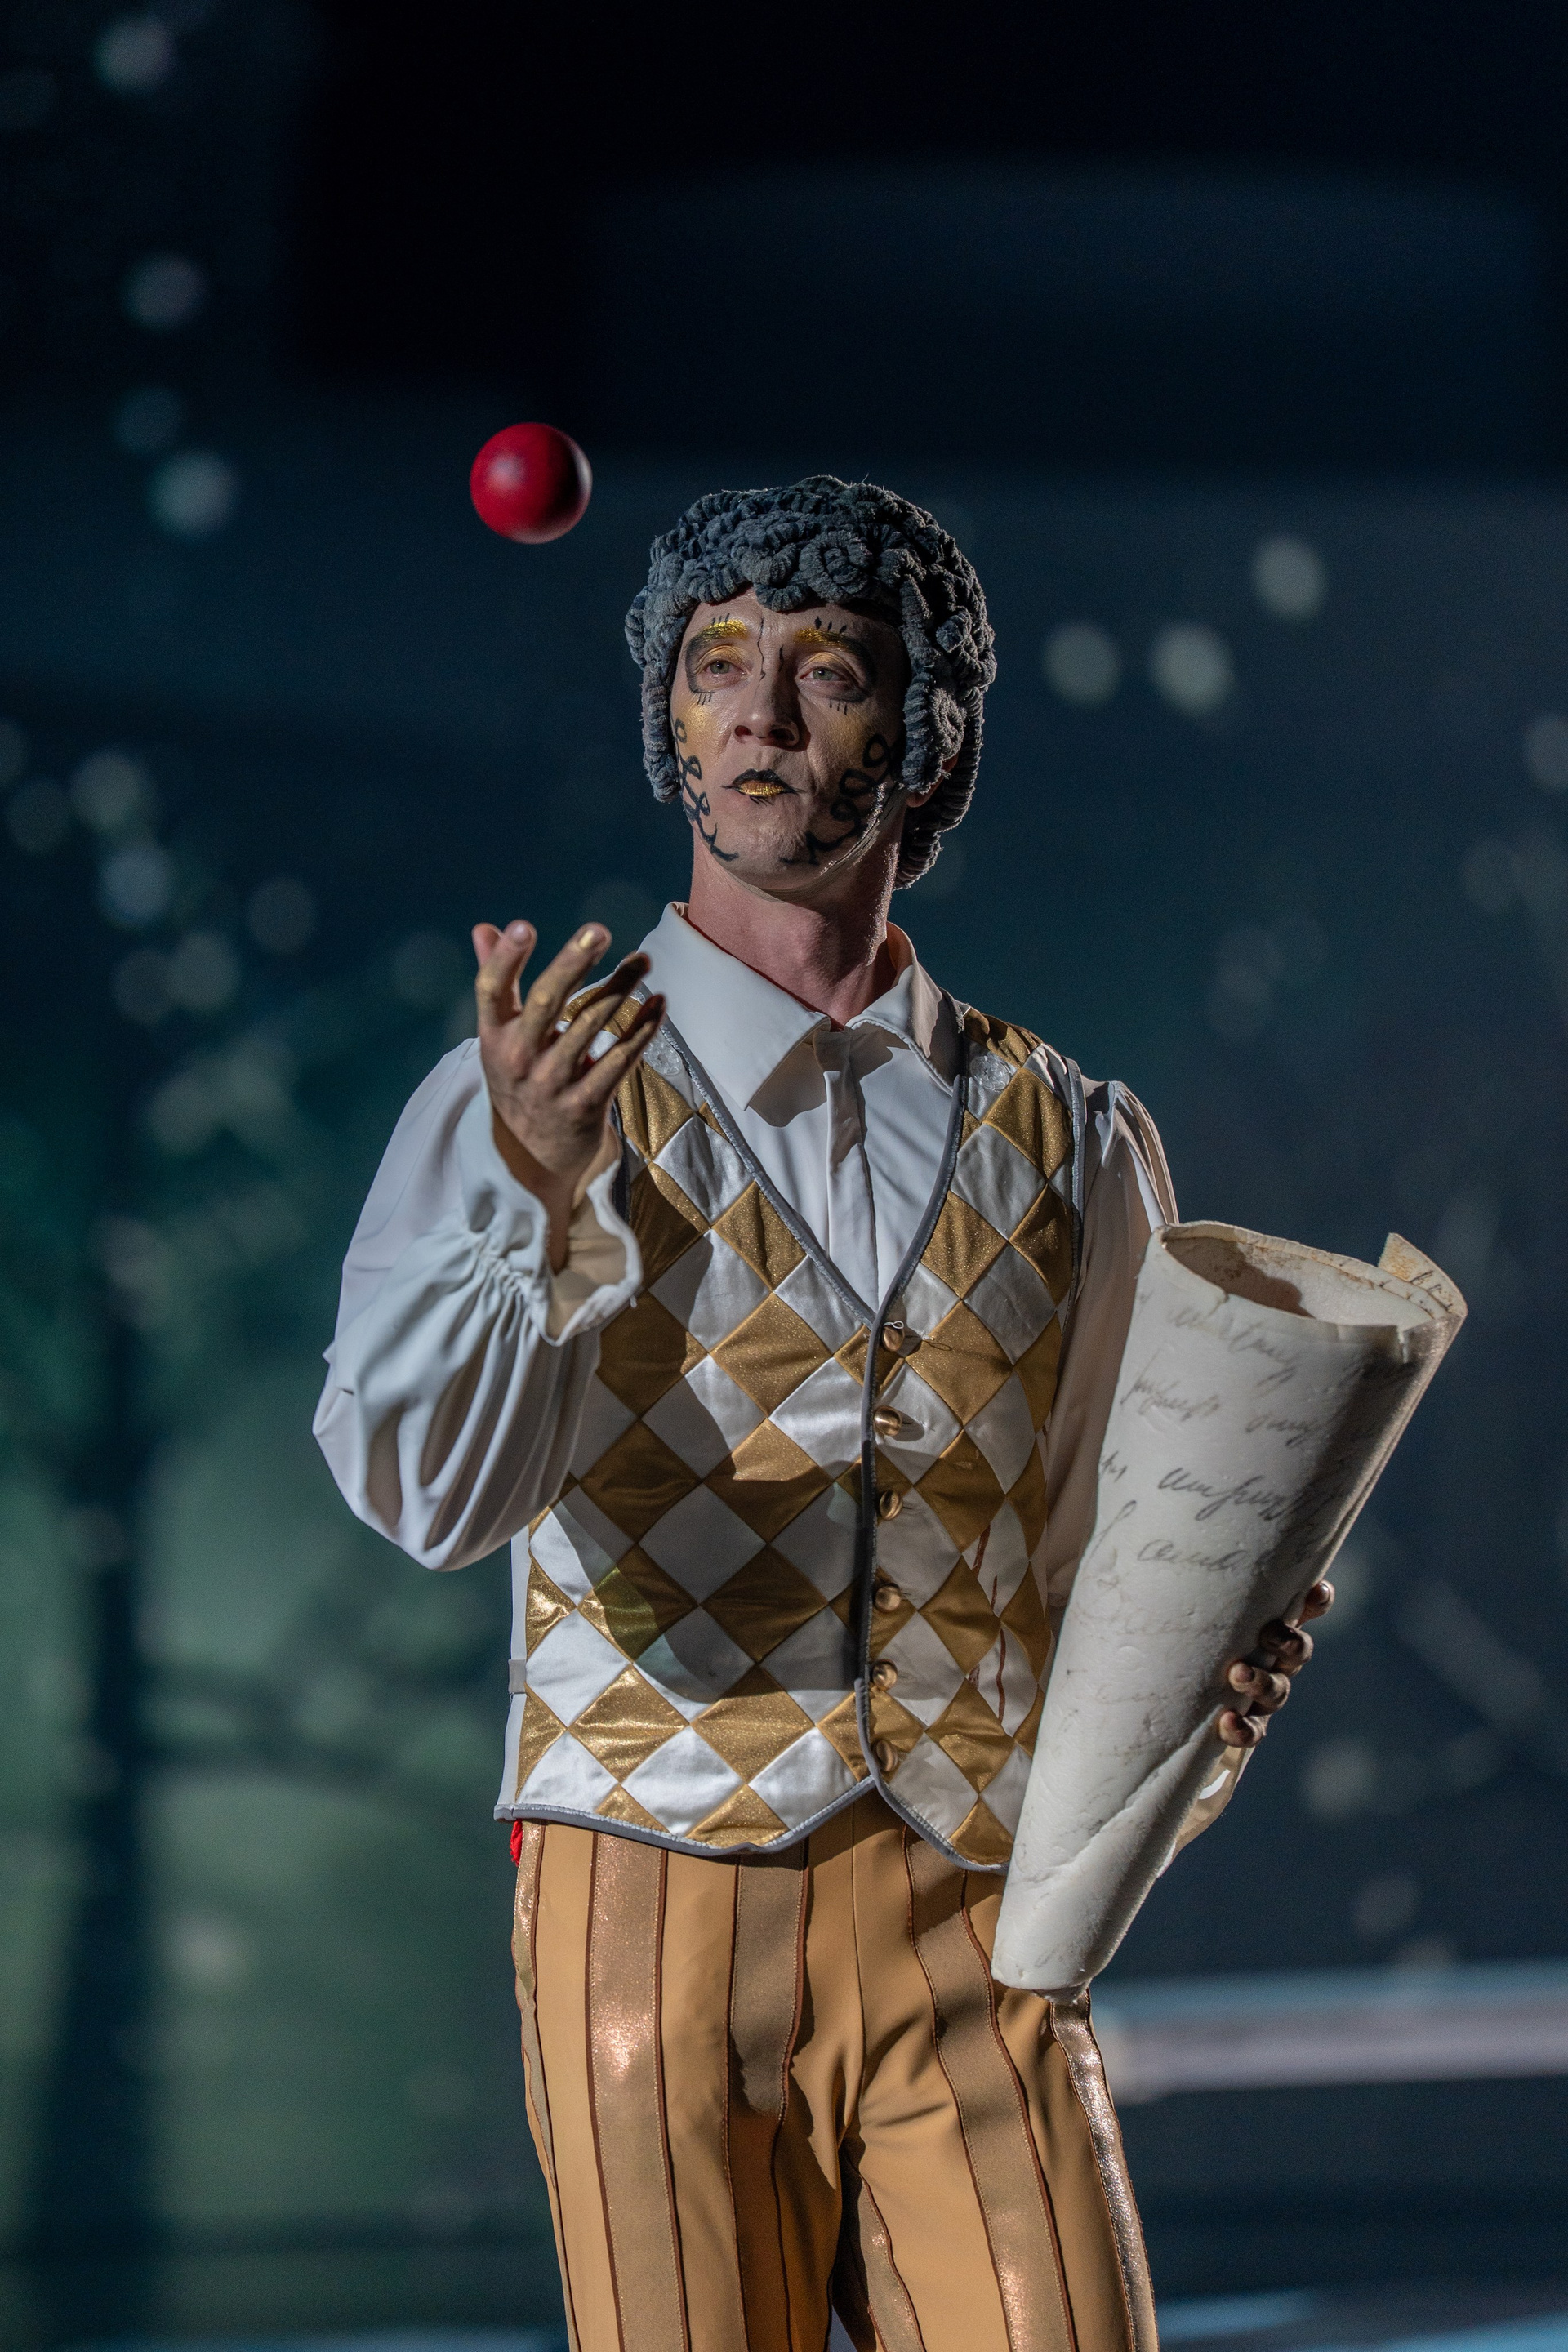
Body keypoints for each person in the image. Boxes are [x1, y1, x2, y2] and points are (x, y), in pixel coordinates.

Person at [315, 477, 1330, 2352]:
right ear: (669, 722)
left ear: (922, 736)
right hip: (655, 1893)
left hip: (974, 1908)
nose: (763, 714)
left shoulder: (1070, 1133)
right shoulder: (533, 1092)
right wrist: (535, 1198)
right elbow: (427, 1497)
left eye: (831, 672)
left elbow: (1109, 1545)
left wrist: (1205, 1661)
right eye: (717, 666)